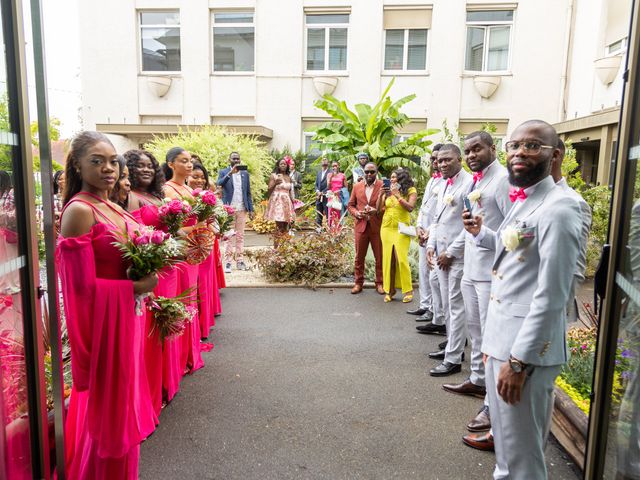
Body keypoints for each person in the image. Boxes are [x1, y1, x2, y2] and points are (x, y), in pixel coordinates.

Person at [463, 120, 582, 479]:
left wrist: (519, 362)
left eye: (531, 146)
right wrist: (482, 233)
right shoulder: (527, 197)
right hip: (502, 342)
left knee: (522, 460)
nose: (518, 153)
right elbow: (512, 254)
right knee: (507, 454)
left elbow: (553, 293)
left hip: (523, 354)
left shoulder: (561, 207)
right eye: (513, 146)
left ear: (555, 154)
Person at [57, 131, 158, 479]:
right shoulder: (80, 212)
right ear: (77, 165)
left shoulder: (110, 205)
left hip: (126, 321)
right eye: (96, 161)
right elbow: (79, 289)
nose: (107, 169)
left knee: (121, 406)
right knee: (109, 412)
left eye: (112, 161)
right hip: (105, 327)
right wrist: (133, 287)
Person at [437, 133, 511, 435]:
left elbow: (511, 228)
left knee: (492, 339)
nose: (471, 155)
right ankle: (478, 380)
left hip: (490, 270)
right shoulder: (477, 181)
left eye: (476, 149)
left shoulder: (503, 180)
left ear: (493, 148)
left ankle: (492, 404)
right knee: (476, 330)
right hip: (471, 266)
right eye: (467, 150)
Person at [423, 143, 473, 377]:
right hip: (440, 253)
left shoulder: (470, 184)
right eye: (439, 161)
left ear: (459, 159)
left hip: (456, 257)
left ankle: (453, 358)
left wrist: (450, 252)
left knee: (455, 307)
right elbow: (436, 218)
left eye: (447, 160)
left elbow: (471, 225)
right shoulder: (443, 184)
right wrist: (431, 246)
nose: (442, 164)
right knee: (447, 305)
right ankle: (453, 348)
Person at [164, 147, 210, 373]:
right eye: (184, 161)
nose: (190, 164)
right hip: (181, 249)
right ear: (171, 164)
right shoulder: (168, 189)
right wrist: (197, 227)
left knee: (191, 297)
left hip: (193, 247)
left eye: (191, 160)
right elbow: (173, 228)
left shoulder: (185, 188)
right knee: (183, 298)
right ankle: (181, 354)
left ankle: (190, 350)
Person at [410, 144, 443, 321]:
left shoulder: (446, 181)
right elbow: (423, 207)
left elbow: (441, 213)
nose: (435, 162)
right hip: (423, 232)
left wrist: (429, 231)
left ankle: (435, 311)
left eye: (438, 158)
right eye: (432, 159)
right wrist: (418, 226)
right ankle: (424, 305)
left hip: (436, 234)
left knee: (433, 276)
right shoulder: (431, 180)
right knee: (423, 271)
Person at [379, 169, 417, 303]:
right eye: (391, 178)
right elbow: (379, 209)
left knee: (401, 259)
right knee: (389, 260)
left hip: (402, 229)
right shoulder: (388, 191)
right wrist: (381, 195)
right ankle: (390, 290)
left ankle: (408, 290)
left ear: (401, 178)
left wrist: (398, 195)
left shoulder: (410, 190)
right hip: (386, 228)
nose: (392, 180)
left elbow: (410, 207)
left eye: (394, 177)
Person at [347, 161, 385, 295]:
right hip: (361, 226)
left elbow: (389, 206)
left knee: (379, 257)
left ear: (376, 172)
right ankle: (358, 283)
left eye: (372, 172)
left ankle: (380, 283)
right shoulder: (357, 186)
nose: (369, 174)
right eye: (367, 172)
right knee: (359, 257)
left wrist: (377, 210)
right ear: (364, 172)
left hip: (377, 226)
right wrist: (356, 213)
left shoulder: (382, 186)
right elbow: (350, 205)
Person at [217, 151, 254, 273]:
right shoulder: (223, 172)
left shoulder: (245, 174)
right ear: (229, 160)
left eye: (238, 159)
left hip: (242, 209)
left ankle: (240, 260)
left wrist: (251, 209)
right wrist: (229, 173)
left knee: (240, 235)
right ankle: (228, 261)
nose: (236, 161)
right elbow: (219, 183)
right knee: (229, 235)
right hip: (229, 209)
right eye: (234, 159)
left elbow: (248, 192)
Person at [265, 157, 295, 244]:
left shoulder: (289, 177)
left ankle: (283, 248)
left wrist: (293, 204)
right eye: (281, 164)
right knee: (279, 226)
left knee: (286, 226)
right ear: (278, 165)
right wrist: (275, 183)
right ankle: (276, 248)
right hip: (278, 202)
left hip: (287, 202)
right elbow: (269, 190)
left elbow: (290, 192)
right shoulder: (274, 176)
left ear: (287, 166)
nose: (283, 165)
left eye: (285, 164)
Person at [327, 161, 348, 230]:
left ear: (338, 166)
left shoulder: (343, 175)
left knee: (339, 214)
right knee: (331, 213)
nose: (334, 167)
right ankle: (331, 230)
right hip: (331, 196)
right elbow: (328, 187)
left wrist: (339, 191)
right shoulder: (329, 174)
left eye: (335, 166)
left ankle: (339, 230)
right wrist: (330, 178)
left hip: (339, 196)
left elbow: (346, 187)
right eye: (333, 166)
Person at [315, 157, 330, 230]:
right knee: (319, 213)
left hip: (326, 196)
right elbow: (316, 184)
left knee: (328, 214)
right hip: (318, 197)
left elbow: (330, 185)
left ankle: (329, 230)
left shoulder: (330, 173)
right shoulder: (319, 173)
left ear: (328, 163)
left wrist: (322, 192)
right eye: (323, 160)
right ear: (321, 163)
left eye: (325, 159)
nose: (324, 161)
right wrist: (317, 191)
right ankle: (318, 229)